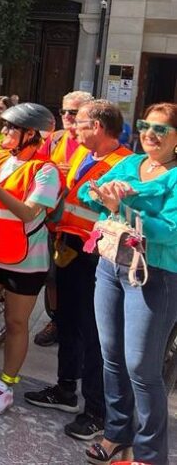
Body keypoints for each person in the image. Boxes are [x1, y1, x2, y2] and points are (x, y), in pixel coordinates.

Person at [24, 100, 132, 442]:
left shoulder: (126, 164)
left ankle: (97, 412)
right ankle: (65, 389)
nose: (72, 127)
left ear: (98, 127)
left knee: (94, 335)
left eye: (80, 121)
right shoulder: (86, 157)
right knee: (67, 322)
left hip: (98, 257)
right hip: (70, 249)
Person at [79, 103, 177, 465]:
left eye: (161, 129)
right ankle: (116, 435)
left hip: (155, 276)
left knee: (142, 367)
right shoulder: (131, 163)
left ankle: (150, 456)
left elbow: (169, 232)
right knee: (112, 358)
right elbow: (89, 194)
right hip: (111, 266)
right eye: (145, 125)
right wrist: (103, 196)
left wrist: (123, 205)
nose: (150, 133)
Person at [0, 103, 64, 415]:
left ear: (31, 134)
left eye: (10, 128)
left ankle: (7, 383)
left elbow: (29, 212)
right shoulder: (1, 157)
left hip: (26, 259)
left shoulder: (47, 171)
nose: (3, 132)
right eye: (4, 126)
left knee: (16, 322)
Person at [31, 90, 94, 348]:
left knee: (70, 281)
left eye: (74, 112)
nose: (67, 116)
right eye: (64, 111)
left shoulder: (91, 143)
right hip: (50, 217)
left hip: (79, 228)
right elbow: (36, 163)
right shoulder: (55, 139)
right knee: (51, 277)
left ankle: (67, 324)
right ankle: (56, 320)